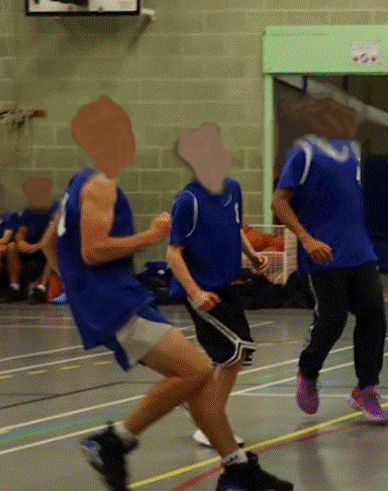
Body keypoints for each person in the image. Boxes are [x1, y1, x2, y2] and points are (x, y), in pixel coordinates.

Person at [45, 96, 292, 491]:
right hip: (115, 300)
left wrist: (77, 288)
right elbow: (93, 251)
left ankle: (237, 469)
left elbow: (49, 243)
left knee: (196, 380)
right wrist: (150, 236)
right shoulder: (100, 184)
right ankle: (114, 441)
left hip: (109, 298)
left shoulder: (78, 183)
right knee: (196, 370)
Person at [272, 95, 388, 424]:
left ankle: (366, 389)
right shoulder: (303, 153)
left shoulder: (352, 152)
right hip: (323, 251)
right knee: (333, 319)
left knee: (374, 316)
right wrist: (306, 239)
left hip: (359, 250)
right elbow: (279, 202)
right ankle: (308, 371)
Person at [166, 122, 268, 450]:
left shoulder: (233, 189)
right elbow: (173, 252)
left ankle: (198, 398)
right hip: (203, 291)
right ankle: (208, 423)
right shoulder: (188, 201)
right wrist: (194, 292)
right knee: (234, 350)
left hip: (226, 285)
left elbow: (235, 227)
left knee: (237, 352)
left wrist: (252, 255)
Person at [7, 175, 59, 303]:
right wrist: (20, 241)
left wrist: (37, 246)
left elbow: (51, 236)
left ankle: (41, 288)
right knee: (12, 246)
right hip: (31, 246)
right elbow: (21, 231)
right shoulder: (29, 209)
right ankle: (14, 287)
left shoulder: (55, 208)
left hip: (45, 246)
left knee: (55, 248)